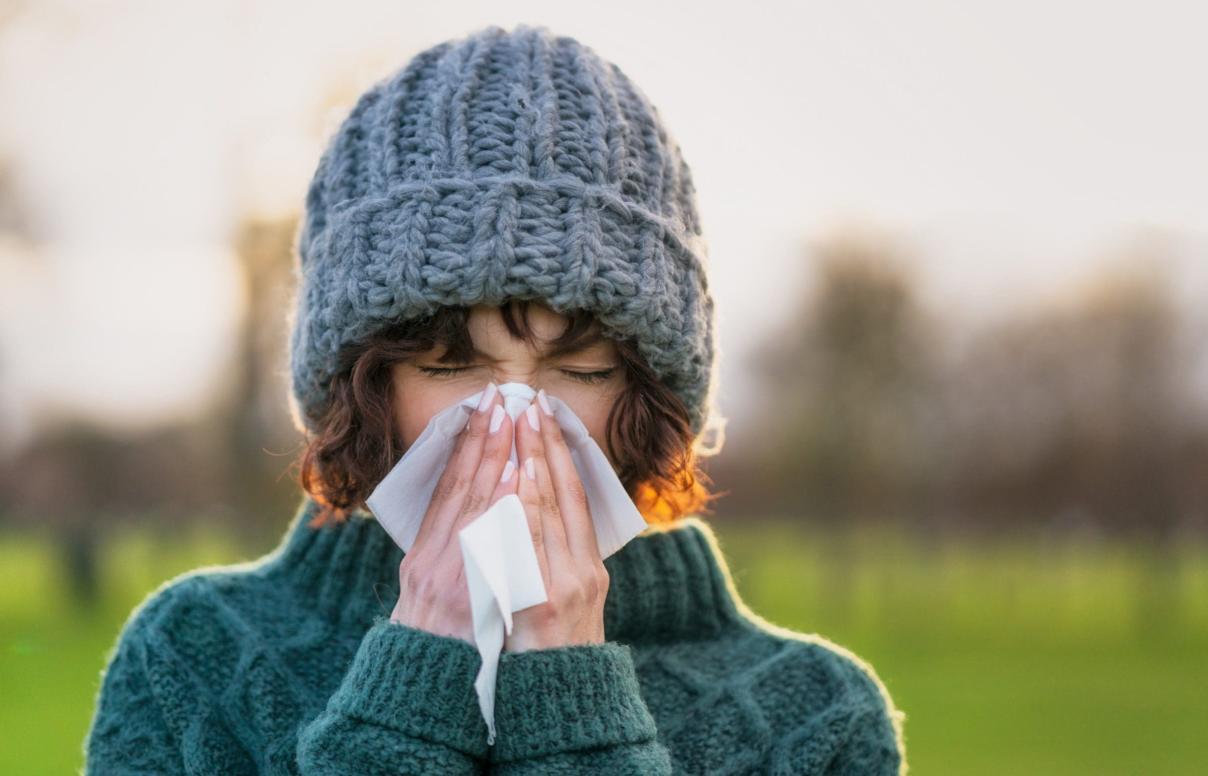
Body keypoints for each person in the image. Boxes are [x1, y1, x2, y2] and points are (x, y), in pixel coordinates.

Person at [83, 23, 907, 774]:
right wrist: (411, 691)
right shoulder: (191, 659)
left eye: (579, 371)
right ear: (362, 383)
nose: (514, 422)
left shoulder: (818, 719)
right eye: (450, 365)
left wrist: (570, 696)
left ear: (651, 393)